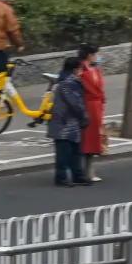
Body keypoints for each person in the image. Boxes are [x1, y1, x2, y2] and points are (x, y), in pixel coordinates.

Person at [47, 57, 90, 188]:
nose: (81, 71)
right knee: (64, 152)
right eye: (80, 68)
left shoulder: (65, 80)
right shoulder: (68, 82)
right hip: (64, 122)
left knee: (75, 151)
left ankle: (77, 176)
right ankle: (61, 177)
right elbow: (75, 103)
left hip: (69, 122)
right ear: (75, 69)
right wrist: (83, 116)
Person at [76, 43, 106, 183]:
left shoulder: (95, 69)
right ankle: (85, 171)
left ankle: (88, 170)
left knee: (93, 139)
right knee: (86, 139)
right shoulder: (80, 70)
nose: (98, 57)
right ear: (90, 55)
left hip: (96, 107)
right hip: (87, 106)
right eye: (96, 54)